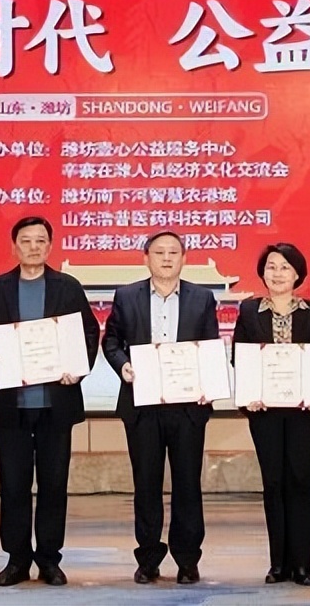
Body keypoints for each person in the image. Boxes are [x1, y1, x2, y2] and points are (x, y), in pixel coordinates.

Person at [0, 216, 100, 587]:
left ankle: (49, 559)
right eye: (26, 241)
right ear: (14, 246)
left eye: (40, 240)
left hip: (55, 404)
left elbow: (88, 334)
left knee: (53, 485)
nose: (33, 247)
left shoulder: (68, 287)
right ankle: (16, 560)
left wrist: (77, 369)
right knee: (13, 486)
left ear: (50, 246)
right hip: (11, 405)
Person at [102, 230, 220, 586]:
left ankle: (187, 560)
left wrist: (209, 386)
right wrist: (123, 365)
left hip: (187, 407)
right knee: (146, 484)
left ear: (184, 258)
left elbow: (210, 347)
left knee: (187, 484)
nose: (167, 258)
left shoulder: (202, 298)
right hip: (142, 405)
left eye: (173, 252)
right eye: (159, 252)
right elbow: (111, 340)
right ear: (146, 258)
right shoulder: (127, 296)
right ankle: (148, 558)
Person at [231, 242, 310, 587]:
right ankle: (278, 564)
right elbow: (240, 357)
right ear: (262, 273)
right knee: (273, 483)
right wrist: (249, 395)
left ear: (298, 274)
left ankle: (302, 564)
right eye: (271, 267)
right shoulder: (249, 311)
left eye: (285, 267)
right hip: (265, 411)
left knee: (301, 482)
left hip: (304, 411)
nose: (277, 273)